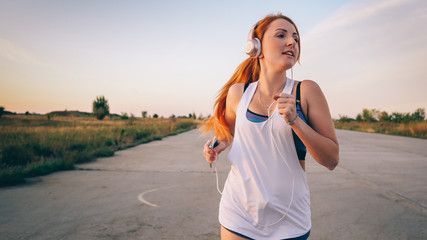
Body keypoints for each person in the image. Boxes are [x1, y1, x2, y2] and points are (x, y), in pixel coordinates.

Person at [202, 13, 339, 240]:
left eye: (295, 37)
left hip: (290, 219)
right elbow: (228, 134)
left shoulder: (306, 91)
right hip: (238, 215)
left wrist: (296, 121)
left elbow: (332, 160)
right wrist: (216, 145)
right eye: (281, 35)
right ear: (256, 47)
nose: (292, 42)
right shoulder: (239, 92)